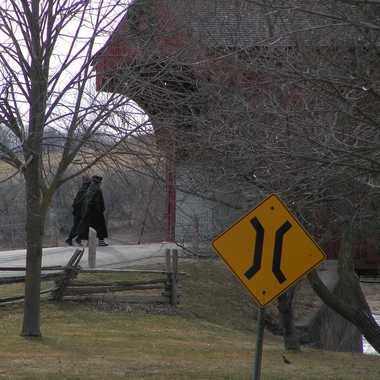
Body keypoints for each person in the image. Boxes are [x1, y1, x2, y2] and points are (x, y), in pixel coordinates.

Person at [78, 175, 109, 246]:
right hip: (96, 212)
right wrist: (101, 210)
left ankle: (84, 242)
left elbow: (85, 201)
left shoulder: (89, 189)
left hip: (88, 212)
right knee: (100, 227)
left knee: (86, 227)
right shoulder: (97, 190)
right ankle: (101, 242)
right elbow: (98, 202)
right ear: (98, 182)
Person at [65, 175, 91, 246]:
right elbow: (81, 202)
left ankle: (76, 239)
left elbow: (76, 201)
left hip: (78, 211)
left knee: (79, 226)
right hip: (80, 212)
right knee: (80, 226)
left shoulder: (83, 189)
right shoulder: (85, 190)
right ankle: (71, 239)